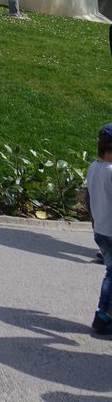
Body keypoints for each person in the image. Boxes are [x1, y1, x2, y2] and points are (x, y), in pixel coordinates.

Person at [86, 123, 112, 335]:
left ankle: (104, 313)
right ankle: (104, 315)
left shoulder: (94, 168)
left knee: (110, 272)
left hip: (101, 230)